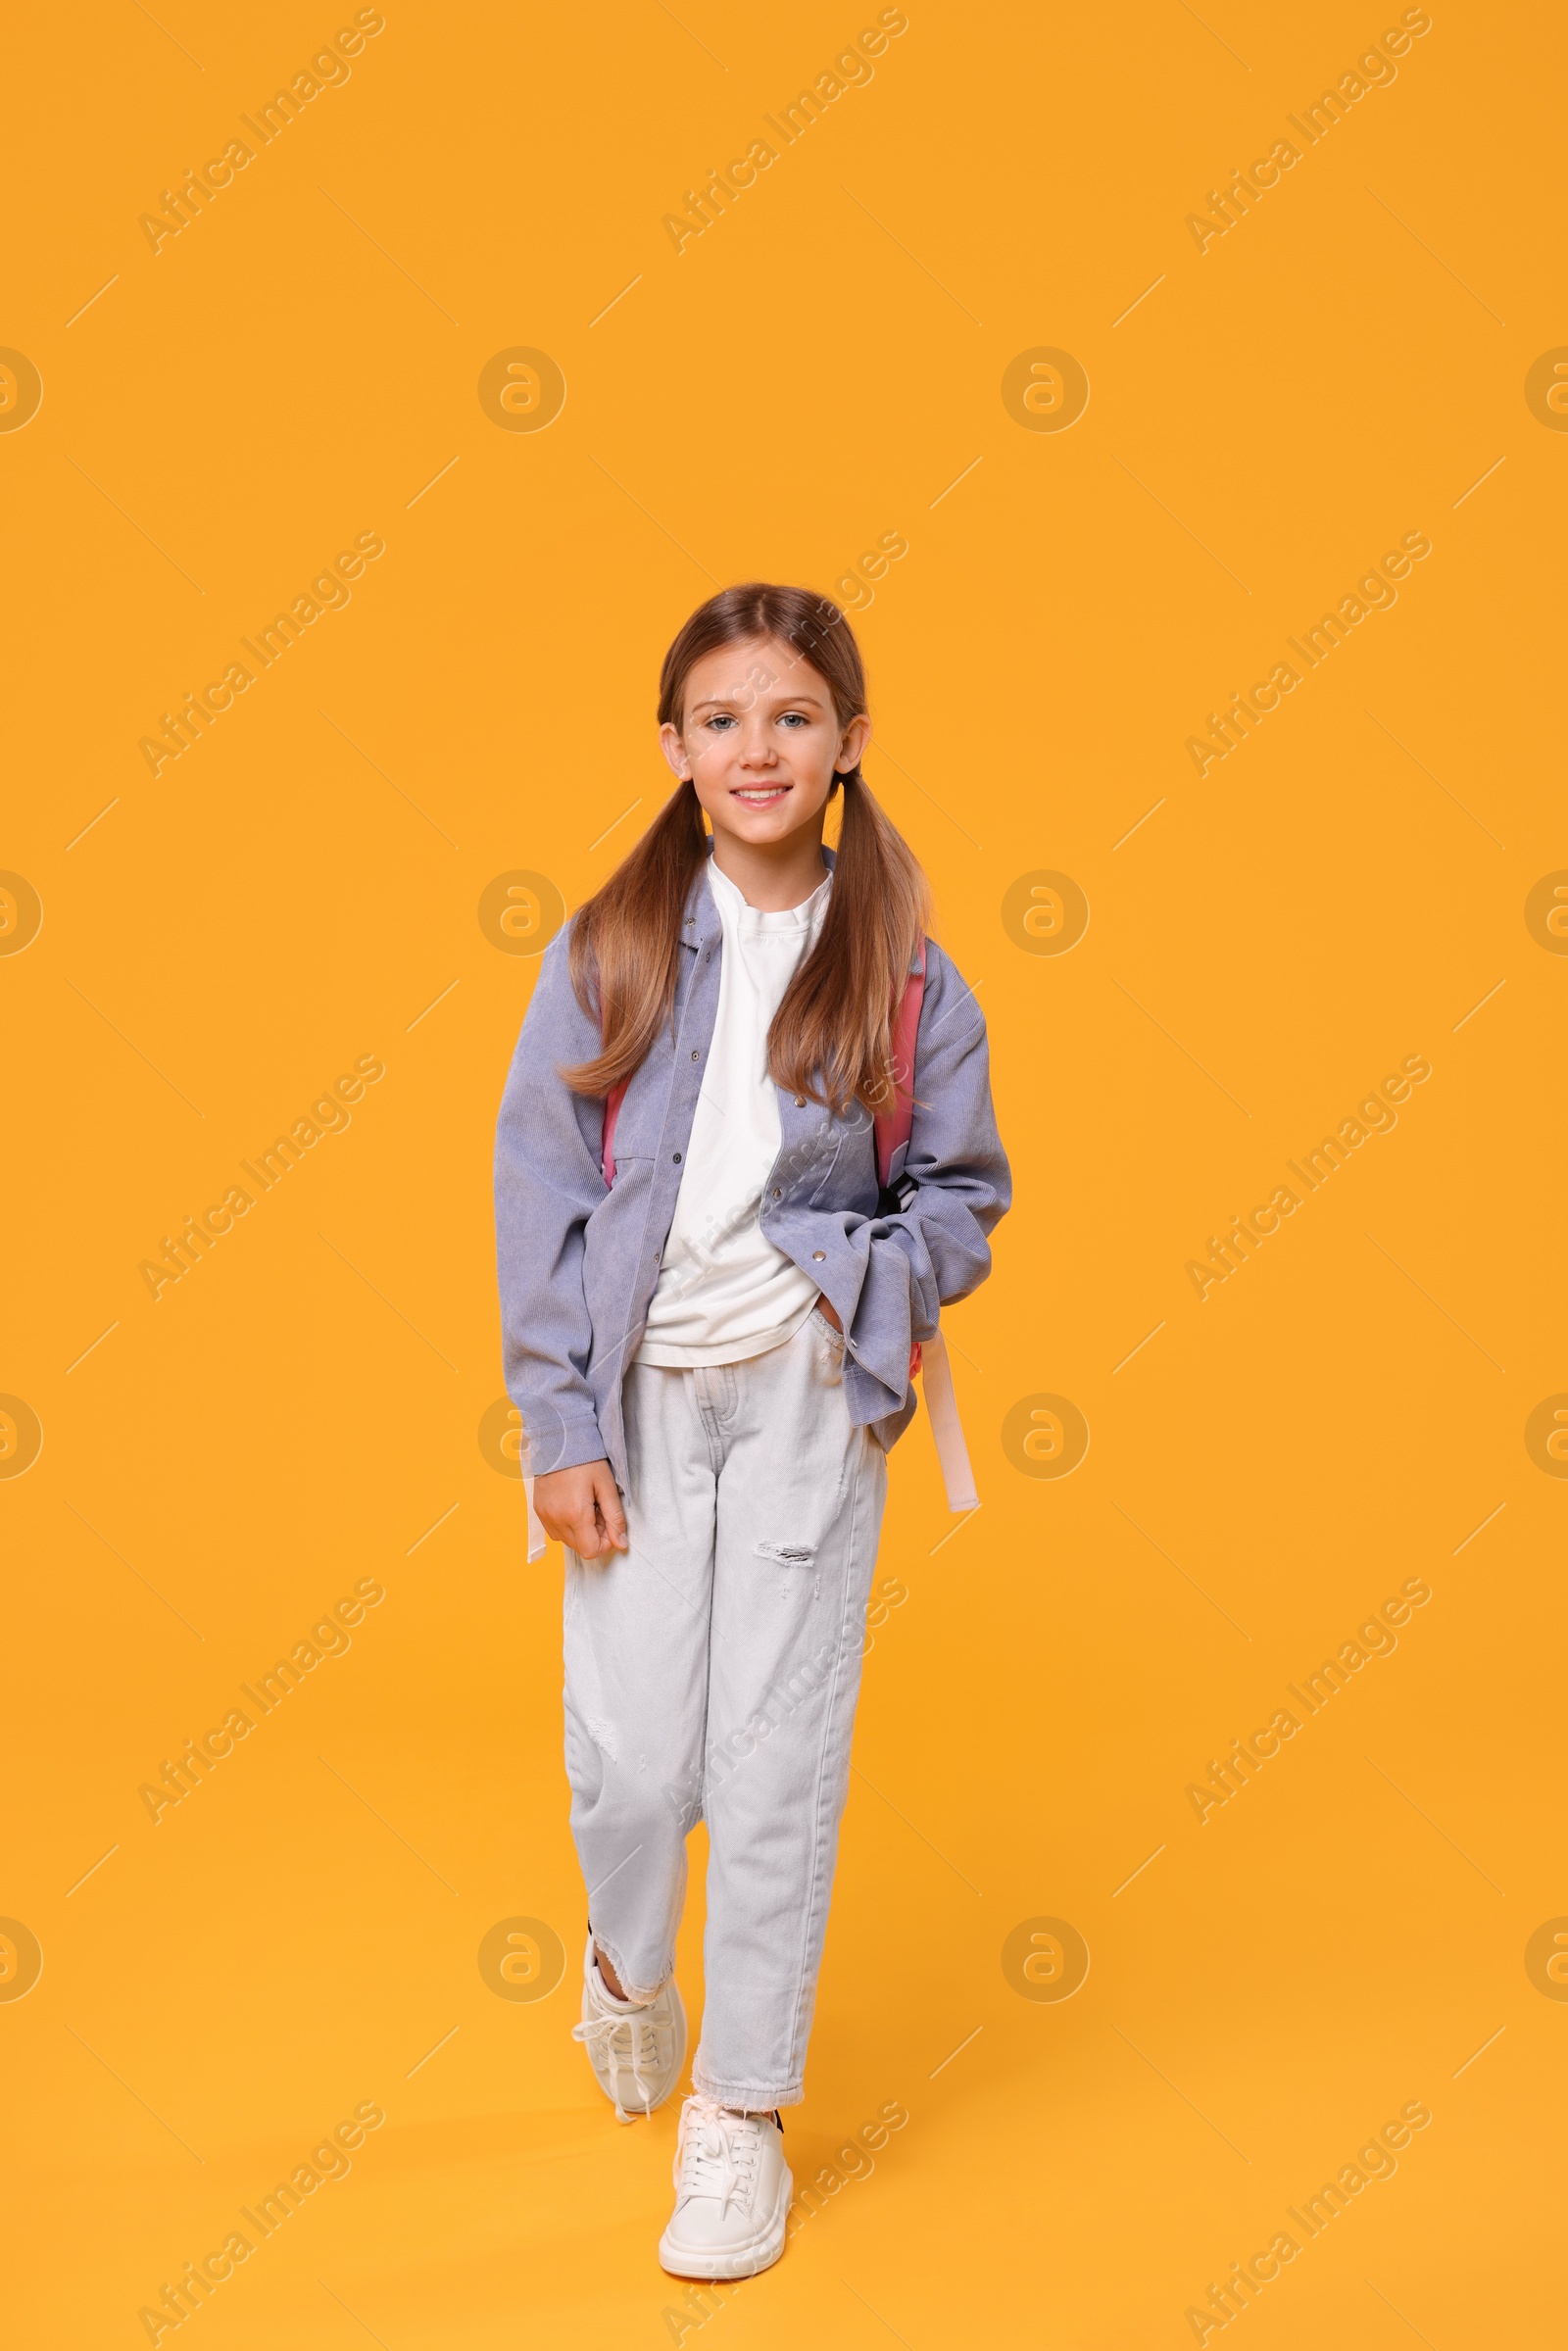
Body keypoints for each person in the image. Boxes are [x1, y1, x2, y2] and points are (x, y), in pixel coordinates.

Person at [494, 582, 1009, 2279]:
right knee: (636, 1766)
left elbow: (961, 1197)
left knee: (772, 1773)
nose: (757, 747)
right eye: (721, 718)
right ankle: (630, 1972)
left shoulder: (909, 972)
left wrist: (844, 1286)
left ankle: (739, 2119)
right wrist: (554, 1419)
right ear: (674, 746)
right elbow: (541, 1197)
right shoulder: (614, 949)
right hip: (636, 1403)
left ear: (849, 741)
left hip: (801, 1399)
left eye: (793, 715)